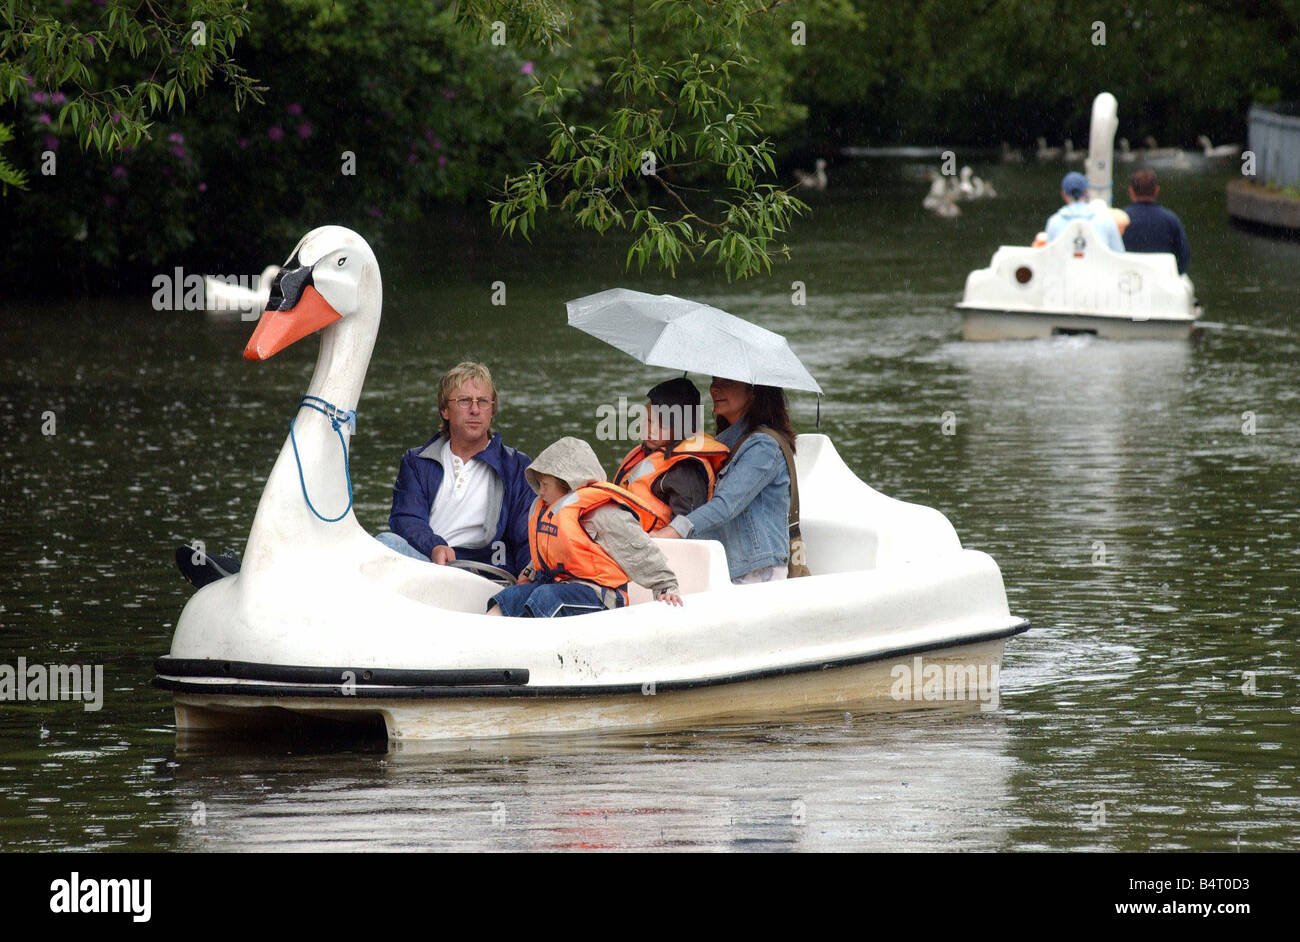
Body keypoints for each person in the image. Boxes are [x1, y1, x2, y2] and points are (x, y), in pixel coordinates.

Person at [487, 437, 683, 616]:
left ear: (568, 483)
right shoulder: (548, 509)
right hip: (557, 585)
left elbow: (640, 552)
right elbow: (551, 550)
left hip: (601, 596)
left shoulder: (603, 513)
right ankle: (490, 639)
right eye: (539, 484)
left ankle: (526, 647)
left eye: (545, 484)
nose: (541, 491)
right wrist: (529, 571)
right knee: (510, 597)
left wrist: (665, 586)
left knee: (546, 598)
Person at [376, 361, 534, 575]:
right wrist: (434, 546)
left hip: (484, 576)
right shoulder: (417, 461)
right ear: (444, 410)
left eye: (483, 402)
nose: (475, 410)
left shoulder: (517, 466)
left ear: (492, 410)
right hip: (428, 563)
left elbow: (528, 535)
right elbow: (406, 519)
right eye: (464, 401)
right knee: (385, 543)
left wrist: (527, 575)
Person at [653, 377, 794, 584]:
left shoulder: (764, 446)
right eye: (713, 381)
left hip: (757, 572)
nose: (714, 389)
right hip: (729, 564)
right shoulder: (724, 443)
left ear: (754, 391)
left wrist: (671, 532)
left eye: (727, 383)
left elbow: (725, 505)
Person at [612, 377, 729, 530]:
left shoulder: (685, 470)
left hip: (659, 547)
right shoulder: (648, 451)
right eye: (648, 421)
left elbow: (687, 527)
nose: (651, 431)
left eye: (662, 426)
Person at [1122, 167, 1191, 274]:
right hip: (1161, 277)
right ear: (1156, 190)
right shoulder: (1171, 219)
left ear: (1131, 191)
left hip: (1129, 276)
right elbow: (1183, 254)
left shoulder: (1120, 219)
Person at [1043, 171, 1126, 253]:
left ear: (1063, 194)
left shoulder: (1054, 222)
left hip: (1067, 266)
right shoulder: (1106, 221)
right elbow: (1119, 254)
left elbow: (1049, 256)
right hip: (1097, 266)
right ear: (1086, 192)